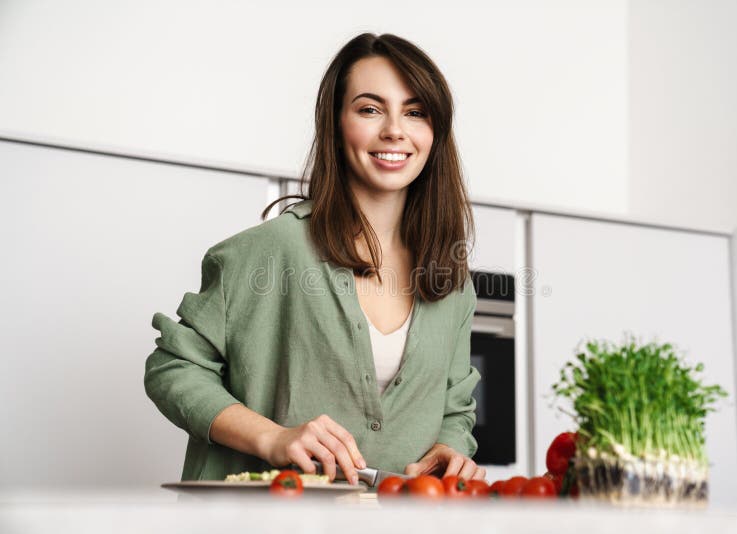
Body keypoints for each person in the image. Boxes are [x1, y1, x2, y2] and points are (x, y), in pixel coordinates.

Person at [144, 32, 485, 486]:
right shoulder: (271, 250)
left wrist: (451, 448)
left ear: (435, 131)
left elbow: (454, 410)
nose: (395, 130)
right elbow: (173, 368)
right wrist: (273, 439)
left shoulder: (451, 281)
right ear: (335, 122)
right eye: (370, 109)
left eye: (416, 112)